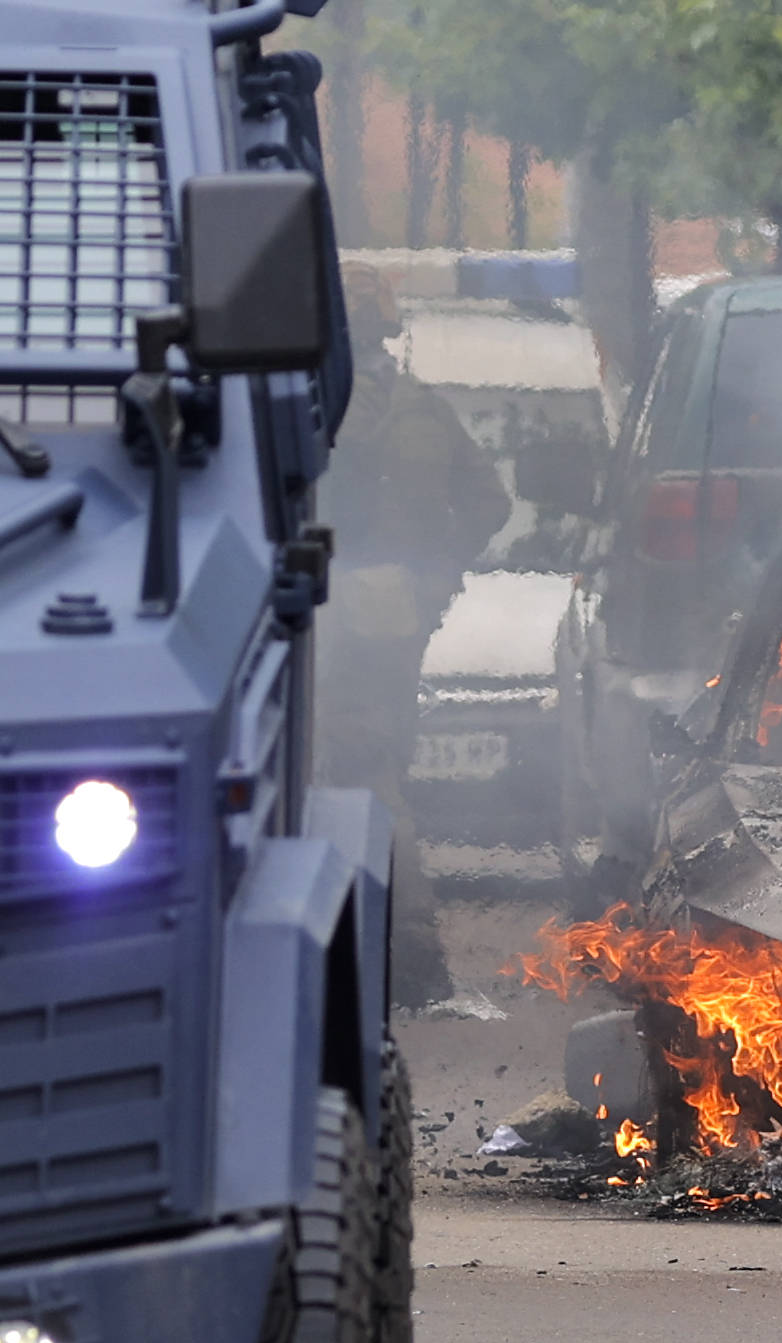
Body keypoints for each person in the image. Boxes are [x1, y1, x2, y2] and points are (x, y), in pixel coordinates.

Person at [316, 262, 513, 1007]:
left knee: (352, 776)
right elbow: (489, 504)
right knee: (375, 771)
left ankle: (403, 959)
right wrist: (429, 578)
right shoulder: (421, 409)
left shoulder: (303, 412)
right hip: (394, 617)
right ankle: (401, 962)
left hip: (317, 617)